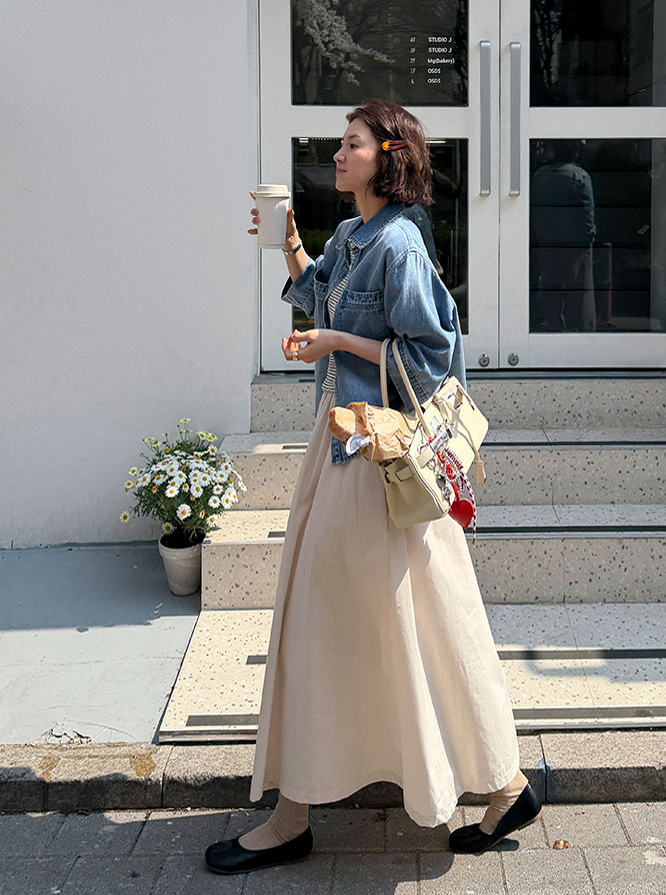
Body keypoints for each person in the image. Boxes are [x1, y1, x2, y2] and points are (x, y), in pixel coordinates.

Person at [205, 98, 542, 876]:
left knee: (335, 619)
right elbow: (315, 299)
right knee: (415, 621)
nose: (337, 154)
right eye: (340, 143)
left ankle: (295, 817)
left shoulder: (398, 244)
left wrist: (333, 339)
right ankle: (501, 785)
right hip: (343, 447)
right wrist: (290, 247)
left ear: (388, 157)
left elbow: (431, 353)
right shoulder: (349, 237)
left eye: (352, 144)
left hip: (374, 460)